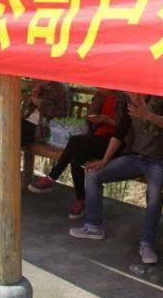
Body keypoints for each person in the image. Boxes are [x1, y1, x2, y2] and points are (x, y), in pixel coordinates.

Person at [70, 93, 163, 265]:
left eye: (137, 92)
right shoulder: (129, 105)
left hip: (159, 161)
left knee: (154, 193)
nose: (134, 96)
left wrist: (148, 115)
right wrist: (105, 160)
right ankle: (93, 226)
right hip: (135, 157)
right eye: (130, 92)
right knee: (94, 174)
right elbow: (119, 133)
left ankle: (147, 243)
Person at [28, 88, 128, 219]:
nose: (98, 87)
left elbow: (125, 128)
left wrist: (107, 120)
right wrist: (93, 119)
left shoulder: (123, 99)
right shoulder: (100, 97)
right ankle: (81, 200)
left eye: (101, 85)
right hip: (97, 138)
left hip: (115, 143)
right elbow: (90, 119)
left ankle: (52, 177)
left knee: (75, 141)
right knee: (76, 159)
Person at [21, 80, 71, 147]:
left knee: (18, 137)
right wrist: (33, 95)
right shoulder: (41, 85)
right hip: (27, 121)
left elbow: (62, 114)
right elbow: (27, 110)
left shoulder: (61, 90)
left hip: (42, 128)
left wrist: (41, 104)